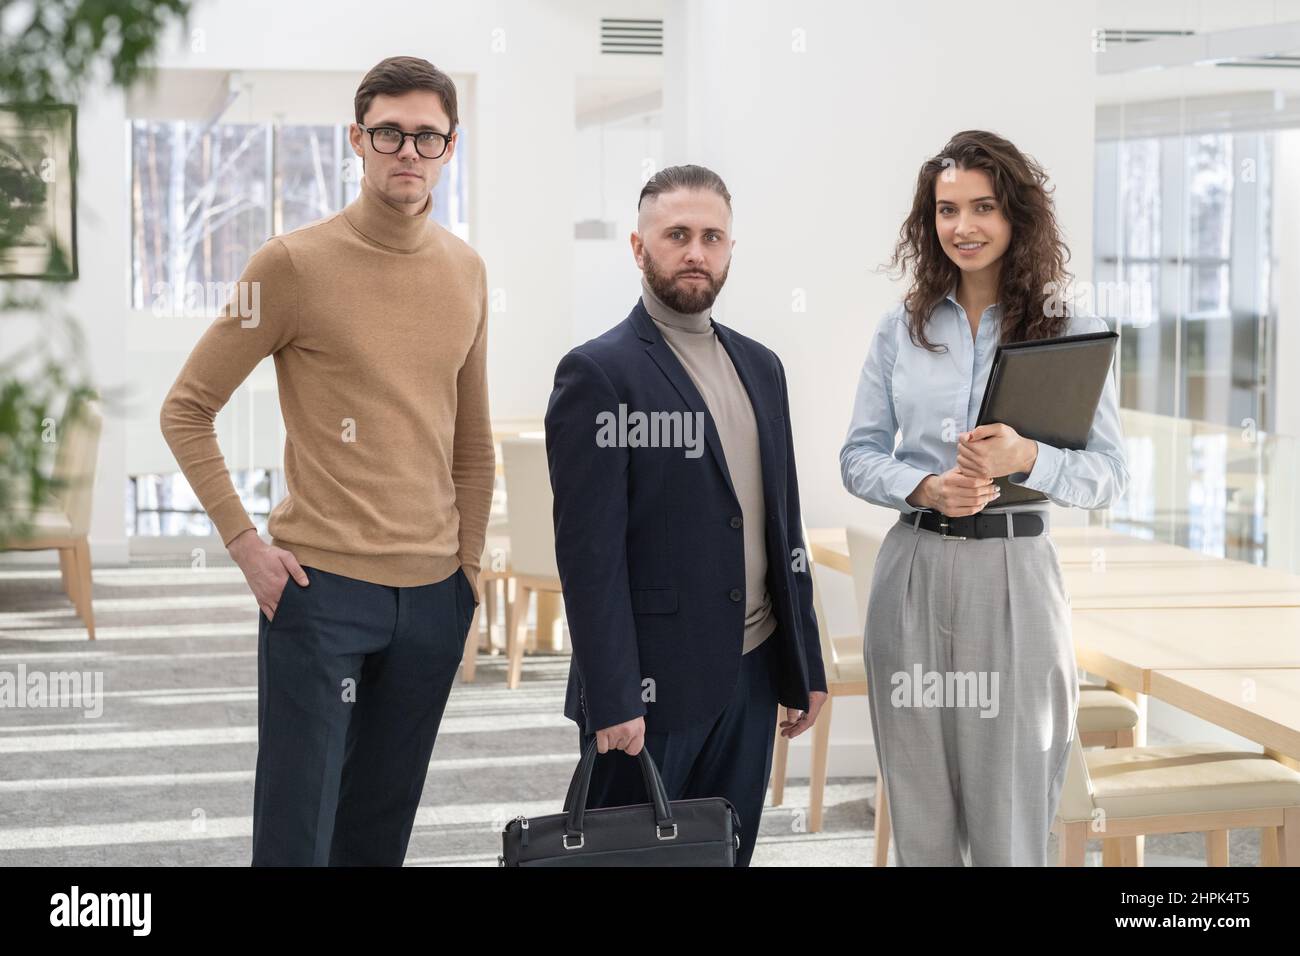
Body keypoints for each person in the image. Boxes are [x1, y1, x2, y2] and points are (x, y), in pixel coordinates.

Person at [159, 56, 494, 866]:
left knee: (378, 831)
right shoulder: (293, 265)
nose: (407, 151)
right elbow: (186, 410)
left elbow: (471, 445)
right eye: (389, 133)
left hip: (432, 598)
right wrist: (246, 546)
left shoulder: (467, 270)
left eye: (427, 136)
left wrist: (467, 574)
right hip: (320, 593)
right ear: (358, 139)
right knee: (295, 831)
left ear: (450, 147)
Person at [839, 130, 1128, 866]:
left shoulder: (1072, 326)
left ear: (1016, 217)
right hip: (912, 570)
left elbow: (1108, 473)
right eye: (945, 210)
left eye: (982, 207)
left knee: (1010, 811)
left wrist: (1029, 456)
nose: (962, 226)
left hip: (1015, 576)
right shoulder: (899, 329)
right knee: (921, 809)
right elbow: (859, 455)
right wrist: (923, 484)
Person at [545, 165, 827, 866]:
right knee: (630, 861)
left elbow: (782, 526)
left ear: (731, 248)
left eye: (711, 236)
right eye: (676, 235)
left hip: (753, 675)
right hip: (649, 688)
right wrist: (613, 696)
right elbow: (589, 557)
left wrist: (805, 662)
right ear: (639, 250)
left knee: (725, 855)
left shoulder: (762, 366)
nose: (695, 251)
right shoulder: (599, 372)